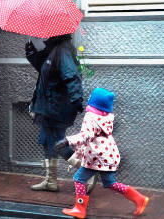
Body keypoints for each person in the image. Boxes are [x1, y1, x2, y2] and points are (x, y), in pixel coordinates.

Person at [57, 88, 149, 218]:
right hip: (108, 155)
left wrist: (67, 141)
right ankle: (139, 198)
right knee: (110, 183)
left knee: (79, 179)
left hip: (97, 157)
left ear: (93, 101)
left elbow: (86, 135)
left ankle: (80, 208)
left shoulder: (91, 117)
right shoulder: (106, 117)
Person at [25, 34, 84, 192]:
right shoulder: (53, 49)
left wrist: (77, 98)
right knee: (47, 141)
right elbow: (42, 66)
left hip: (57, 107)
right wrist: (30, 48)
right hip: (48, 106)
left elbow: (72, 76)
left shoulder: (63, 51)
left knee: (57, 143)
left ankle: (86, 172)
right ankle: (51, 180)